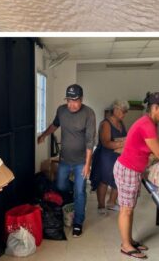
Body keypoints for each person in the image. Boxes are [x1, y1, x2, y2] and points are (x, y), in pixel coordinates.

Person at [114, 92, 159, 259]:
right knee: (126, 209)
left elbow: (152, 153)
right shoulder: (147, 125)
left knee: (129, 208)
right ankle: (125, 246)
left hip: (132, 170)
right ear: (155, 108)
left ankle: (129, 240)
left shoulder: (149, 123)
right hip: (127, 170)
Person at [37, 84, 96, 237]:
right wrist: (44, 135)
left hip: (81, 161)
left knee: (80, 192)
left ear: (81, 99)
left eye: (75, 100)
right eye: (69, 100)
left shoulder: (89, 114)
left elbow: (90, 141)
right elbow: (54, 125)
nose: (71, 104)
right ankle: (75, 191)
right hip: (65, 160)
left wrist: (88, 165)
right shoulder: (62, 110)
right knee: (61, 185)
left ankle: (78, 222)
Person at [90, 100, 128, 215]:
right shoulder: (105, 124)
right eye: (123, 111)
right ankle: (101, 206)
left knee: (118, 180)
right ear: (115, 110)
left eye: (126, 112)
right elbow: (106, 143)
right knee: (104, 181)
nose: (124, 114)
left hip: (118, 156)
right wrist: (124, 143)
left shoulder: (121, 123)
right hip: (105, 156)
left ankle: (111, 202)